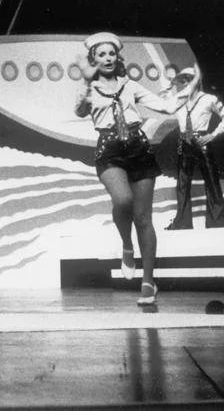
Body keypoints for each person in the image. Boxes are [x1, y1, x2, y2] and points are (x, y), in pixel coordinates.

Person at [74, 32, 197, 305]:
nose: (107, 58)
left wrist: (188, 89)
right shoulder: (91, 88)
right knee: (123, 200)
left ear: (118, 57)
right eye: (101, 54)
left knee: (143, 218)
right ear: (93, 59)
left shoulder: (130, 85)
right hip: (110, 150)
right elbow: (80, 111)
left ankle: (148, 282)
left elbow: (165, 107)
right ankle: (127, 246)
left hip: (138, 148)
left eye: (111, 54)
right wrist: (85, 82)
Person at [165, 67, 224, 230]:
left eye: (189, 78)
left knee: (211, 180)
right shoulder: (178, 100)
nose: (186, 83)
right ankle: (182, 222)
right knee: (182, 183)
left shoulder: (209, 98)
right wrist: (169, 86)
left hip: (201, 141)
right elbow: (165, 105)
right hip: (184, 142)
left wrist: (213, 135)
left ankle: (218, 221)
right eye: (183, 80)